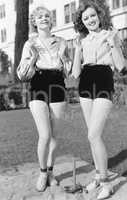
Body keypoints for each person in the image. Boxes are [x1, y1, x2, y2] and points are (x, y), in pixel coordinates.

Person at [72, 1, 125, 199]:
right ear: (82, 22)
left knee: (94, 135)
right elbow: (76, 73)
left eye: (92, 16)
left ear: (99, 15)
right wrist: (77, 50)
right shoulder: (82, 41)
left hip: (104, 81)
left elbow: (120, 66)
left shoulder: (110, 34)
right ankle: (97, 175)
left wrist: (112, 42)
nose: (90, 20)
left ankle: (106, 183)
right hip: (85, 84)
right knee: (91, 136)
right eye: (85, 18)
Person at [18, 6, 71, 192]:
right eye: (40, 17)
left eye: (47, 16)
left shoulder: (63, 41)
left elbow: (68, 72)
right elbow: (21, 75)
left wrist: (66, 61)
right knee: (45, 135)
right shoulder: (29, 44)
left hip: (57, 83)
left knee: (55, 136)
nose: (44, 19)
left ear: (51, 20)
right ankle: (42, 173)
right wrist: (32, 59)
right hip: (38, 83)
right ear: (34, 21)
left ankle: (50, 172)